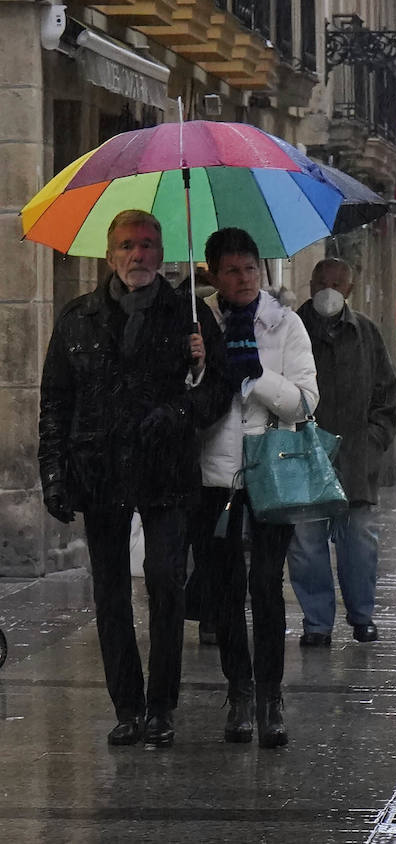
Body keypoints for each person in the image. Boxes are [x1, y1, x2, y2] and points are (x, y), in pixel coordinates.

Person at [38, 209, 234, 747]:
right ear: (110, 254)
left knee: (166, 582)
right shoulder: (78, 317)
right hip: (99, 470)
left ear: (163, 253)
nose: (138, 256)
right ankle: (126, 706)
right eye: (127, 245)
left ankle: (161, 706)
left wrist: (185, 402)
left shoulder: (190, 317)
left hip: (166, 469)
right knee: (110, 592)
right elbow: (56, 399)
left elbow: (218, 390)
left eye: (147, 245)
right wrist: (53, 474)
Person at [191, 227, 318, 748]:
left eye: (250, 269)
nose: (243, 279)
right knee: (223, 591)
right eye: (231, 270)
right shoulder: (197, 322)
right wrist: (198, 365)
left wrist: (256, 376)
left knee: (266, 584)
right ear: (214, 275)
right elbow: (187, 404)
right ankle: (238, 692)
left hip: (272, 472)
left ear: (262, 272)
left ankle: (270, 696)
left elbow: (307, 402)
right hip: (214, 478)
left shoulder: (285, 325)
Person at [287, 258, 396, 648]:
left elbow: (387, 394)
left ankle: (362, 617)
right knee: (306, 543)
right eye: (322, 280)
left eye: (338, 282)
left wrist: (372, 441)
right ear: (310, 283)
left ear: (350, 289)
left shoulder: (366, 333)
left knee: (360, 542)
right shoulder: (290, 327)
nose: (329, 288)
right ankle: (316, 623)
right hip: (303, 457)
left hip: (355, 460)